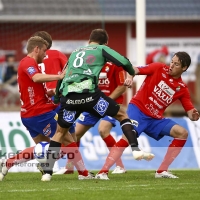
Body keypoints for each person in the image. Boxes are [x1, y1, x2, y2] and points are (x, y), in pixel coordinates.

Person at [41, 28, 155, 181]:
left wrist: (56, 98)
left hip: (69, 98)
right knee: (122, 114)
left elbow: (63, 75)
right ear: (105, 43)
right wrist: (131, 71)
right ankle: (135, 149)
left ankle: (47, 173)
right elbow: (123, 61)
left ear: (89, 41)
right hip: (90, 97)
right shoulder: (102, 49)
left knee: (60, 132)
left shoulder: (75, 52)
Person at [0, 34, 94, 182]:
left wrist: (49, 92)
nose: (46, 55)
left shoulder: (32, 64)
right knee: (69, 141)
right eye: (44, 51)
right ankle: (83, 174)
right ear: (36, 49)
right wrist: (59, 77)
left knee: (43, 149)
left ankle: (8, 163)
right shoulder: (27, 63)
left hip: (30, 114)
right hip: (39, 113)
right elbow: (36, 78)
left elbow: (33, 87)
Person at [96, 51, 199, 179]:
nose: (171, 65)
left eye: (176, 64)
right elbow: (134, 69)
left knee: (182, 133)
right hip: (138, 109)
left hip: (155, 119)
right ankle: (102, 172)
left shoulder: (182, 88)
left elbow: (190, 111)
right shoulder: (158, 68)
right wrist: (130, 77)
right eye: (172, 62)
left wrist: (193, 115)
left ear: (184, 68)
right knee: (128, 137)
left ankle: (161, 171)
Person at [54, 62, 127, 175]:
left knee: (103, 130)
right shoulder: (89, 64)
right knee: (75, 135)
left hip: (110, 103)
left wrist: (106, 102)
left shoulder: (116, 65)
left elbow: (122, 87)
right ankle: (69, 167)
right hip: (92, 102)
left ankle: (120, 166)